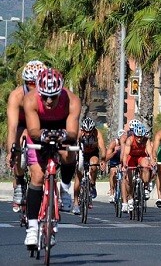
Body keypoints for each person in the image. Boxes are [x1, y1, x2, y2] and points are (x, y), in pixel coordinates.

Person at [23, 68, 81, 246]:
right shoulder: (31, 99)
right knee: (38, 176)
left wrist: (63, 136)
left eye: (54, 96)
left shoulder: (72, 100)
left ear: (61, 91)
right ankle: (32, 228)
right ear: (39, 92)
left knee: (69, 152)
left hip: (63, 127)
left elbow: (72, 132)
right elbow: (32, 130)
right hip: (39, 130)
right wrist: (43, 136)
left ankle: (64, 186)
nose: (49, 101)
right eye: (45, 96)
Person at [6, 60, 46, 212]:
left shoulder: (48, 94)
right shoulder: (17, 96)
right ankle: (19, 180)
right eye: (30, 83)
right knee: (19, 136)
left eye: (36, 83)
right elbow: (12, 126)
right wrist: (11, 149)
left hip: (41, 124)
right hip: (23, 125)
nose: (33, 87)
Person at [72, 117, 107, 215]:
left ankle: (92, 184)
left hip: (92, 153)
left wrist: (103, 160)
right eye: (86, 131)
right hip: (81, 153)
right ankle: (75, 203)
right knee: (78, 176)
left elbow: (102, 148)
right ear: (82, 129)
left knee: (93, 165)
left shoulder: (97, 133)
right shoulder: (79, 134)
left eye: (90, 131)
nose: (87, 133)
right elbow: (74, 147)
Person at [121, 123, 154, 213]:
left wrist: (152, 161)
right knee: (128, 179)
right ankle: (130, 197)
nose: (139, 139)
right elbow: (126, 154)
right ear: (134, 135)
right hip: (131, 157)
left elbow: (150, 153)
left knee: (146, 166)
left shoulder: (146, 140)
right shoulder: (130, 140)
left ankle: (146, 187)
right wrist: (124, 164)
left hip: (141, 157)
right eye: (137, 137)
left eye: (141, 137)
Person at [105, 129, 126, 203]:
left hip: (123, 161)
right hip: (114, 161)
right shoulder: (113, 143)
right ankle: (112, 192)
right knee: (113, 172)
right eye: (121, 138)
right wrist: (114, 152)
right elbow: (106, 157)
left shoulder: (128, 143)